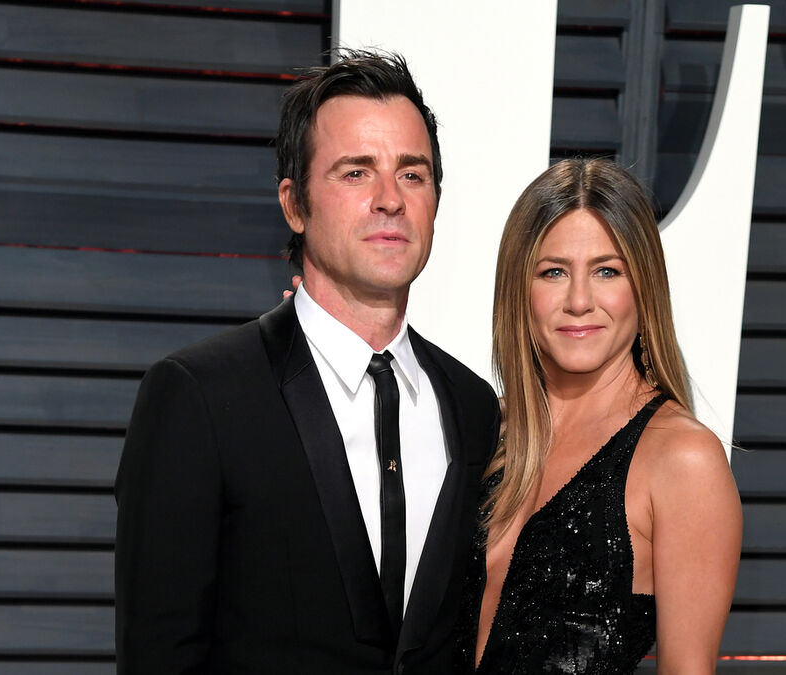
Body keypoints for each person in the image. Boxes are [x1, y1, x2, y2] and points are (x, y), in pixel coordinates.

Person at [114, 50, 500, 674]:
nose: (389, 199)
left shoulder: (474, 408)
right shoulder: (200, 397)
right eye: (356, 172)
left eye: (412, 174)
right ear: (294, 204)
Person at [455, 158, 742, 674]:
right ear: (519, 288)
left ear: (644, 286)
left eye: (607, 271)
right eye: (554, 272)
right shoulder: (482, 432)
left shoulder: (682, 460)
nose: (579, 301)